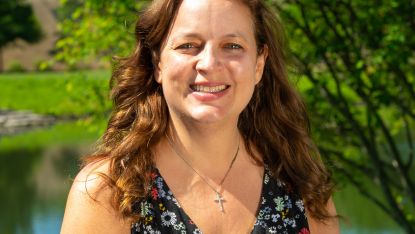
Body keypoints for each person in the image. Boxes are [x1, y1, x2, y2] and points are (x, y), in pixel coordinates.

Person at [61, 0, 339, 233]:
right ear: (157, 63)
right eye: (188, 45)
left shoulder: (304, 190)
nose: (209, 64)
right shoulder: (108, 193)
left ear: (258, 64)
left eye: (232, 46)